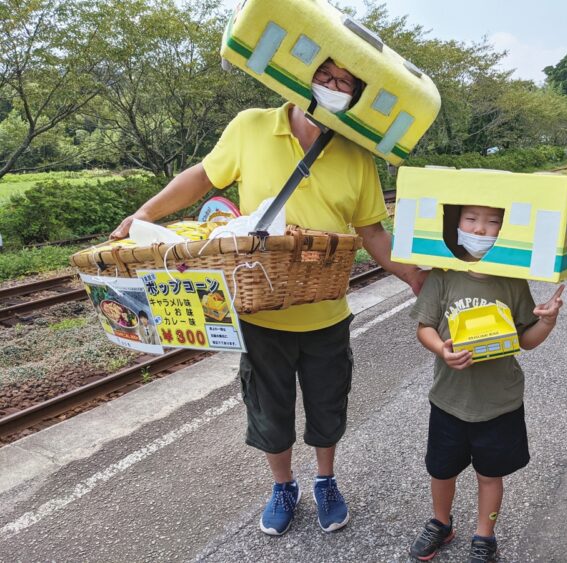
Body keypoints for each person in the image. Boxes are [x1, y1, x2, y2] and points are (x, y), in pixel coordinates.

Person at [110, 58, 426, 536]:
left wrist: (415, 277)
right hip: (258, 314)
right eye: (326, 76)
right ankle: (283, 486)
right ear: (304, 78)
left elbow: (373, 234)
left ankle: (325, 480)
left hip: (326, 313)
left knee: (328, 406)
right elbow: (203, 176)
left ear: (355, 95)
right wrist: (144, 213)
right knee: (268, 410)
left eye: (345, 82)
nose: (333, 87)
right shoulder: (251, 125)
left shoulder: (358, 155)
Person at [407, 204, 564, 562]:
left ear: (505, 230)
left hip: (500, 403)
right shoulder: (443, 275)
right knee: (441, 470)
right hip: (449, 399)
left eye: (493, 222)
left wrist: (548, 322)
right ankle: (441, 523)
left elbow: (525, 339)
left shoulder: (511, 279)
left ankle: (485, 535)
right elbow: (424, 327)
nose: (480, 230)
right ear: (456, 223)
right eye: (471, 219)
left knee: (490, 474)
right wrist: (441, 350)